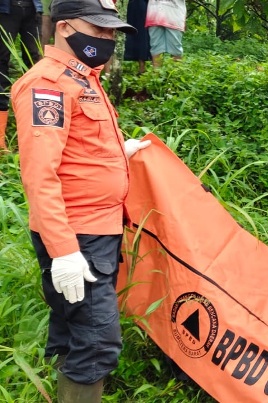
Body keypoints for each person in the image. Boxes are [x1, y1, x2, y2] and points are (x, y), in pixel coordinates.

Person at [10, 0, 150, 400]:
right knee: (97, 342)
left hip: (94, 230)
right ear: (66, 28)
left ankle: (59, 387)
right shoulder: (49, 86)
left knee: (73, 327)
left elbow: (74, 151)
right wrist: (65, 251)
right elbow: (40, 175)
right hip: (77, 236)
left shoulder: (84, 78)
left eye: (112, 33)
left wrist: (118, 153)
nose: (107, 39)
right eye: (100, 29)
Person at [0, 0, 42, 151]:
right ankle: (0, 138)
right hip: (5, 9)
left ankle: (37, 128)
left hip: (32, 8)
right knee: (1, 61)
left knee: (34, 62)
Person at [146, 0, 185, 68]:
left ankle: (176, 74)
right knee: (155, 46)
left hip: (174, 15)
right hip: (154, 13)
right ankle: (156, 75)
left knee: (175, 47)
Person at [125, 0, 151, 74]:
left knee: (141, 33)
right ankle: (141, 67)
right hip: (131, 5)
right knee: (131, 31)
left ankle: (142, 67)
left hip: (140, 4)